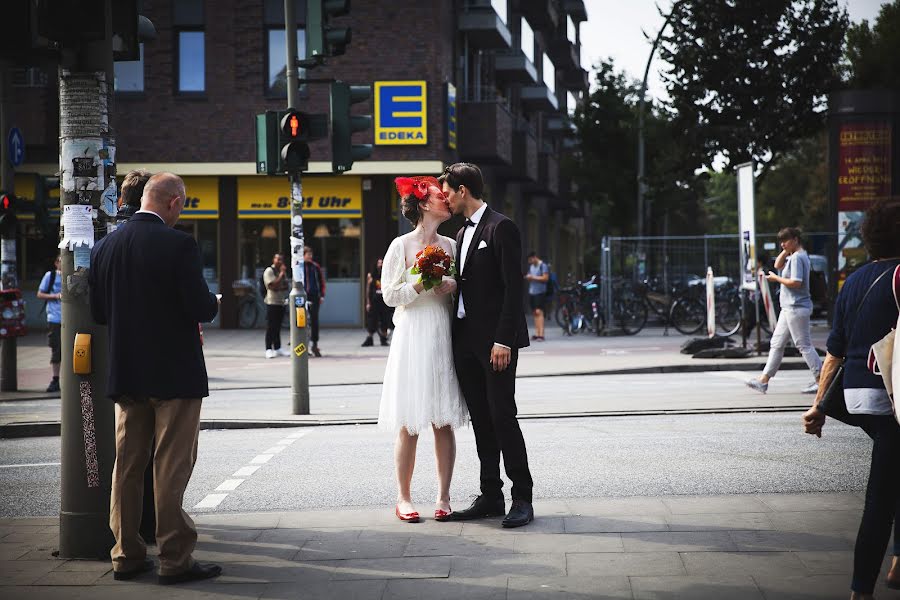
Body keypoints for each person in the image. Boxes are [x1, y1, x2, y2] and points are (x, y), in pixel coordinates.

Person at [89, 172, 222, 585]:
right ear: (174, 202)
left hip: (127, 372)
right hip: (175, 375)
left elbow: (98, 314)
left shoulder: (105, 247)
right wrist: (212, 302)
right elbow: (201, 308)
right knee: (170, 466)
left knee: (127, 466)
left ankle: (126, 554)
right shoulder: (179, 244)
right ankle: (174, 558)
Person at [802, 199, 900, 600]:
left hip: (855, 396)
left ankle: (897, 563)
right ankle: (861, 589)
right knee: (880, 497)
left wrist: (818, 405)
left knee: (894, 473)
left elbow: (834, 352)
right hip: (890, 397)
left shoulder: (855, 281)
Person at [441, 162, 534, 528]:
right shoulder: (462, 233)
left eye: (448, 190)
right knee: (480, 419)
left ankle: (522, 498)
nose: (445, 197)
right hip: (464, 341)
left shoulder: (501, 226)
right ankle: (490, 494)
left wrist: (503, 340)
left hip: (495, 344)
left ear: (463, 190)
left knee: (502, 417)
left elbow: (514, 290)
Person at [378, 176, 467, 523]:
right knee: (409, 423)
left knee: (443, 420)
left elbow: (463, 287)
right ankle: (403, 497)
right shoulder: (399, 246)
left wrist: (451, 283)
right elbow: (389, 294)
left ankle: (444, 496)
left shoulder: (451, 244)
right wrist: (419, 283)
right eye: (437, 195)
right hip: (413, 336)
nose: (445, 198)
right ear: (425, 204)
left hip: (443, 334)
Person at [746, 227, 822, 394]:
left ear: (795, 239)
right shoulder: (795, 255)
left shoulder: (797, 258)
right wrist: (785, 250)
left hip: (796, 307)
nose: (782, 243)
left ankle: (821, 380)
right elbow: (777, 264)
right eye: (781, 241)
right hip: (789, 308)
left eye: (785, 240)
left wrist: (776, 279)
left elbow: (796, 282)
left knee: (803, 345)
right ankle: (764, 380)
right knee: (777, 343)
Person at [35, 256, 62, 393]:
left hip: (70, 321)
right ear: (56, 263)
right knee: (56, 349)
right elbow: (39, 294)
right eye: (61, 260)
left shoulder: (76, 275)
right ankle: (55, 379)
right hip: (55, 318)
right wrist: (56, 296)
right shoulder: (50, 276)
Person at [263, 253, 290, 358]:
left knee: (278, 326)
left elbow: (285, 286)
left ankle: (278, 348)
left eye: (281, 260)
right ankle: (268, 349)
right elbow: (272, 286)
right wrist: (281, 275)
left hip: (281, 302)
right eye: (277, 259)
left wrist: (281, 279)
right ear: (273, 260)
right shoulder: (269, 271)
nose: (279, 261)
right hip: (272, 302)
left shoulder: (281, 272)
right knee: (271, 326)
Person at [362, 258, 392, 347]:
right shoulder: (371, 276)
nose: (380, 265)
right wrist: (368, 302)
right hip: (374, 301)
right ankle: (369, 338)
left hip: (384, 301)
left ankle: (383, 338)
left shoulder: (387, 275)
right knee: (372, 320)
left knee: (385, 320)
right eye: (379, 263)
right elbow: (368, 289)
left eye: (382, 263)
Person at [303, 246, 325, 358]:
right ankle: (303, 346)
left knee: (314, 320)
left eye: (311, 254)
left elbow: (321, 281)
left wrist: (322, 295)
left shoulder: (315, 267)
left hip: (314, 296)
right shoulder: (299, 266)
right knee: (302, 322)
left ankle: (314, 344)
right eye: (308, 254)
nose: (310, 256)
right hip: (302, 297)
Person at [525, 251, 550, 341]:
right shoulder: (532, 266)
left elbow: (545, 278)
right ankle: (537, 333)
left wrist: (533, 278)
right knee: (535, 313)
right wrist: (528, 277)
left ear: (534, 257)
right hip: (532, 292)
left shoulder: (543, 265)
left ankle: (541, 334)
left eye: (530, 260)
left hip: (540, 292)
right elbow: (530, 275)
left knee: (539, 312)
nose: (530, 262)